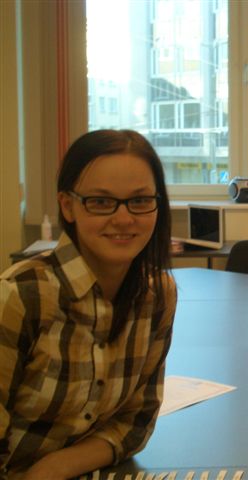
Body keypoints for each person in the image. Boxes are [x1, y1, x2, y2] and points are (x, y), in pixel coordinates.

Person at [0, 130, 177, 479]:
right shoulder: (21, 296)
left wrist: (55, 467)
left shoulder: (157, 296)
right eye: (100, 201)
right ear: (68, 206)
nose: (123, 218)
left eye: (140, 200)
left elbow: (135, 423)